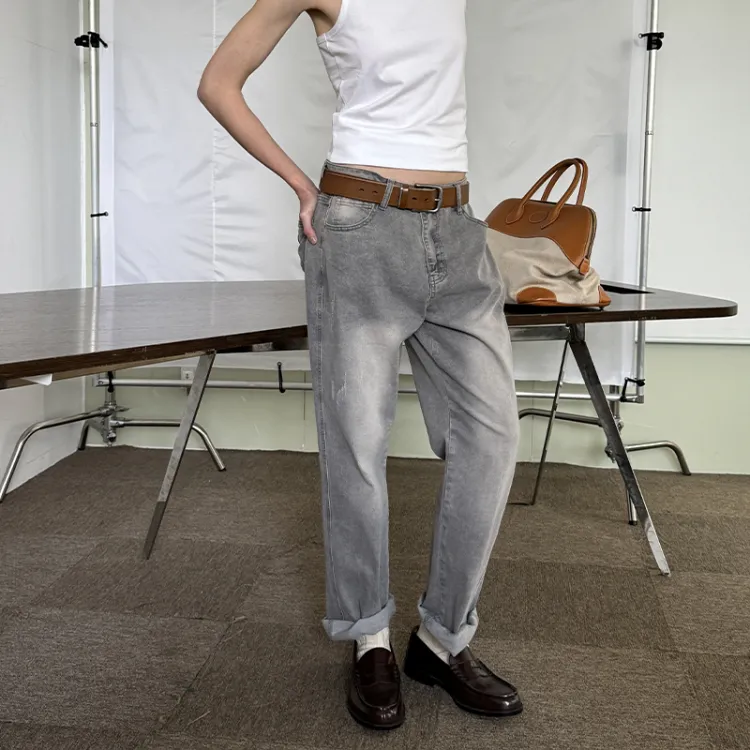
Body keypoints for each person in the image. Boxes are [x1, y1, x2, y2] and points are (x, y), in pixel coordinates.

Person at [198, 0, 521, 730]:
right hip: (361, 226)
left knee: (492, 437)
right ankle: (368, 637)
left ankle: (442, 640)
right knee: (358, 445)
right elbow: (218, 83)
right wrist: (301, 185)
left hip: (458, 231)